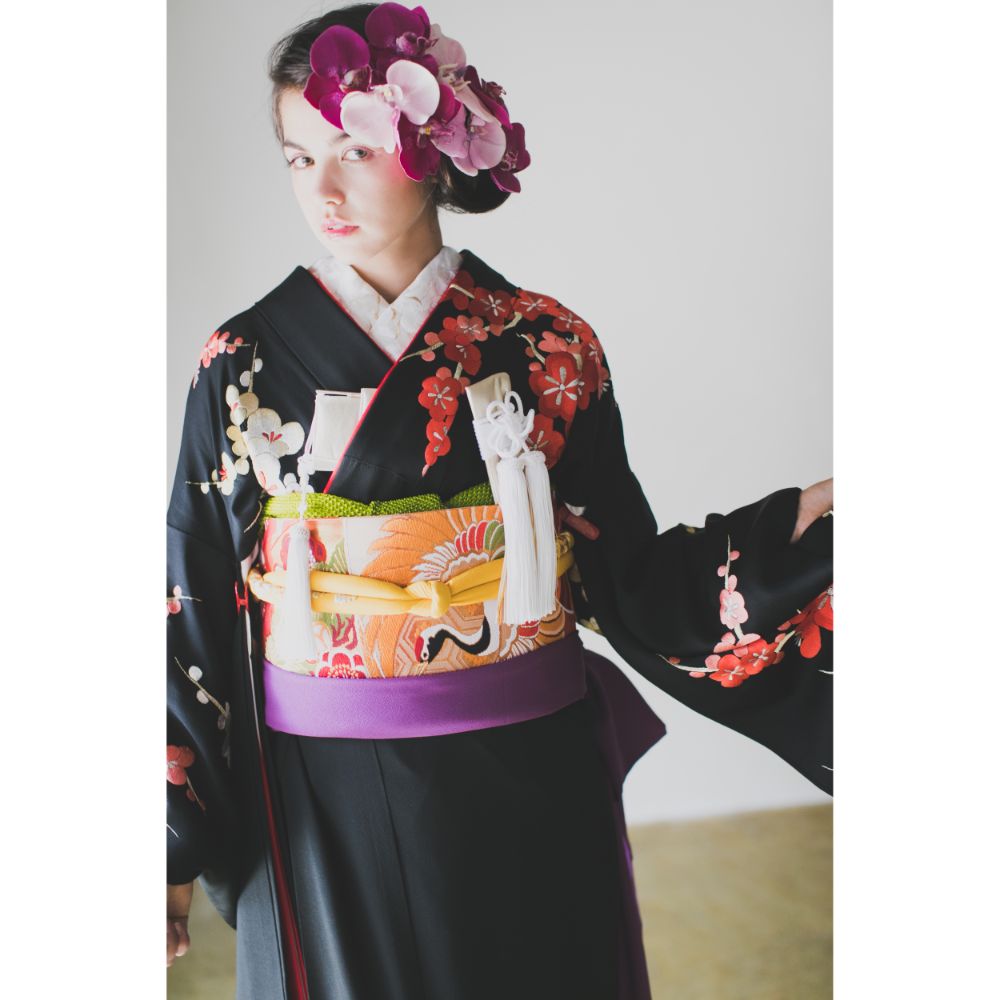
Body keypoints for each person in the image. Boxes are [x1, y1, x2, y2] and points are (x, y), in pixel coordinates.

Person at [166, 4, 834, 997]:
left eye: (355, 150)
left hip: (530, 762)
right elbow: (191, 595)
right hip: (325, 788)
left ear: (433, 149)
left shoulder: (547, 345)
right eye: (300, 159)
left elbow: (627, 576)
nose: (324, 189)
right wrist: (166, 847)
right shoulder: (244, 360)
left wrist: (793, 542)